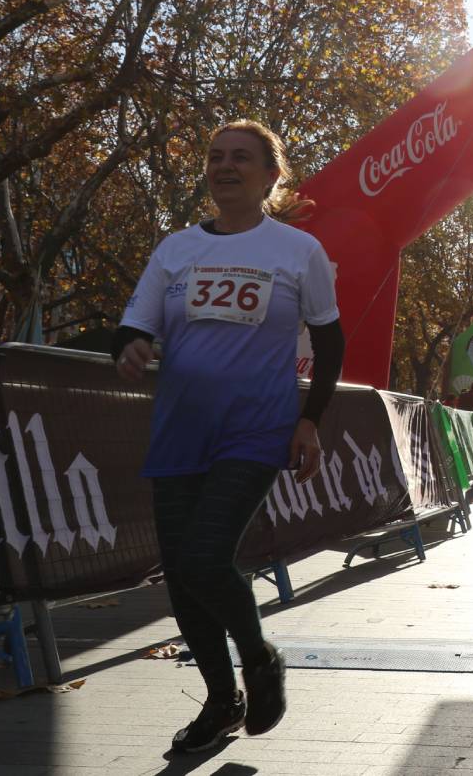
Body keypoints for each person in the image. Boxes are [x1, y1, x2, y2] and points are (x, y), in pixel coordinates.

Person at [113, 119, 344, 754]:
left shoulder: (297, 252)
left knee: (203, 557)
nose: (225, 166)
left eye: (242, 158)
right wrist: (131, 345)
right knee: (183, 577)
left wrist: (309, 421)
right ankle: (220, 701)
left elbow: (330, 345)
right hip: (180, 429)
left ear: (273, 176)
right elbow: (136, 324)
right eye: (216, 156)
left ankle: (260, 657)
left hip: (256, 427)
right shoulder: (176, 250)